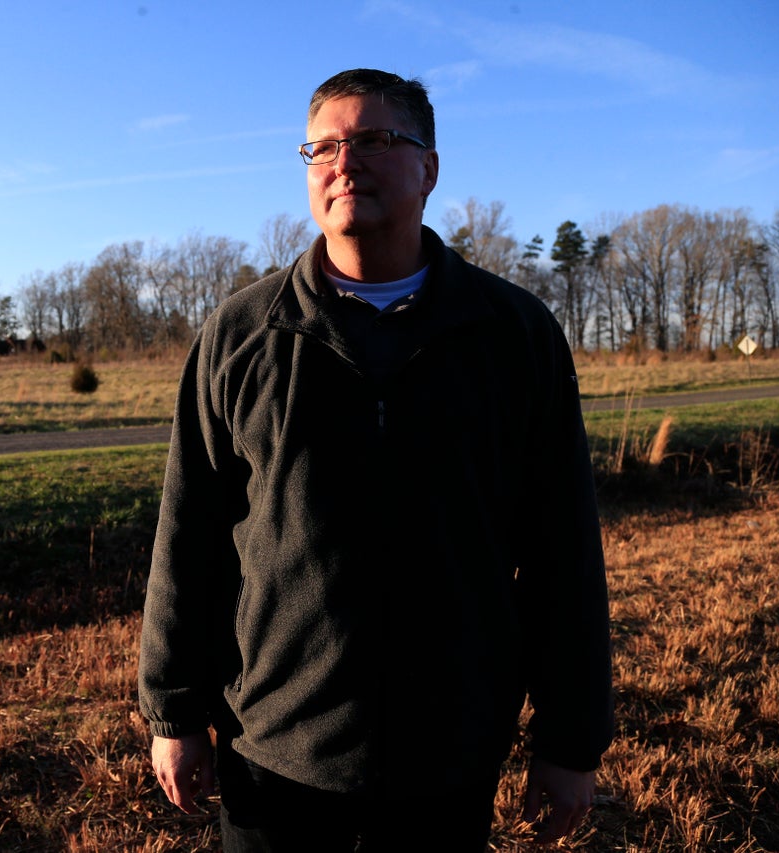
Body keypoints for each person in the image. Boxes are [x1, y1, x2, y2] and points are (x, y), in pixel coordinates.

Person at [137, 68, 613, 851]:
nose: (343, 163)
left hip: (450, 758)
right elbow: (188, 535)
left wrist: (570, 741)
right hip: (275, 756)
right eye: (321, 147)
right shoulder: (242, 334)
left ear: (429, 167)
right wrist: (175, 712)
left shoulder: (512, 334)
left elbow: (563, 553)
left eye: (373, 141)